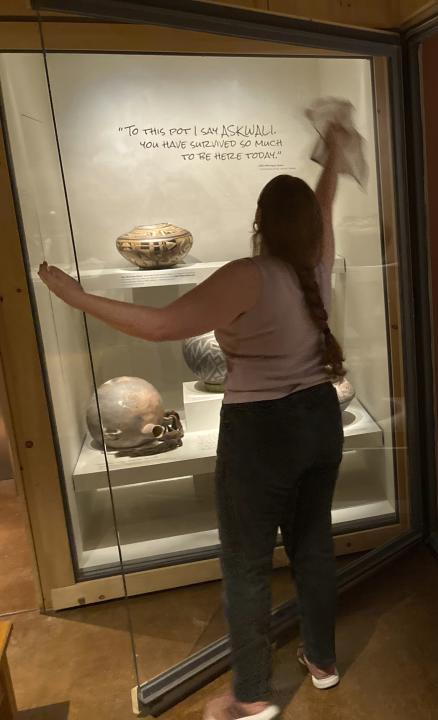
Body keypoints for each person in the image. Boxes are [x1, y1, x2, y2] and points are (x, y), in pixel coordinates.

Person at [39, 129, 352, 720]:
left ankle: (253, 696)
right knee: (311, 545)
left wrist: (77, 297)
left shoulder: (248, 273)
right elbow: (324, 205)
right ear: (309, 224)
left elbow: (161, 326)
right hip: (318, 418)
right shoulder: (315, 264)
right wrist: (333, 158)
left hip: (261, 431)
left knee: (247, 560)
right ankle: (323, 662)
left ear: (260, 220)